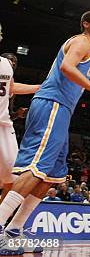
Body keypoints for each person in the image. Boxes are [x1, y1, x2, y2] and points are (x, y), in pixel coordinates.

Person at [0, 11, 90, 255]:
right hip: (52, 104)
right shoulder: (81, 41)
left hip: (61, 110)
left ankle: (14, 230)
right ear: (85, 24)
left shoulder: (89, 48)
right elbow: (66, 67)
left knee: (50, 176)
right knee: (35, 169)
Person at [0, 36, 40, 205]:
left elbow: (12, 88)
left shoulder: (5, 66)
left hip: (4, 125)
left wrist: (40, 88)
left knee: (13, 179)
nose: (13, 62)